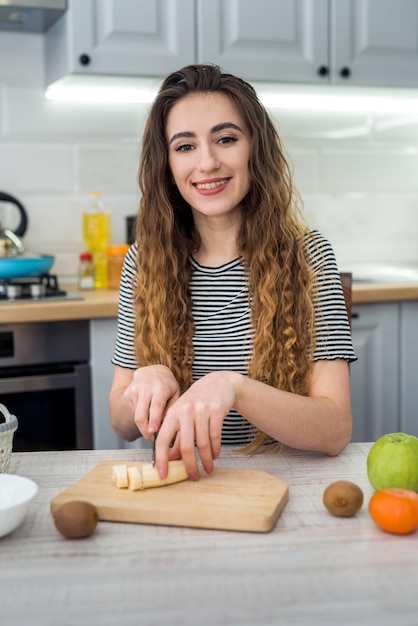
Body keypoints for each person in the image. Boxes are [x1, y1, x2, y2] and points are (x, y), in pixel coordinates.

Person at [109, 63, 356, 481]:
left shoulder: (308, 256)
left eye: (225, 139)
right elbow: (120, 422)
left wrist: (234, 387)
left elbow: (335, 429)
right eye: (185, 146)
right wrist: (143, 385)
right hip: (183, 486)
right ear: (166, 164)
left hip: (282, 484)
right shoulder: (143, 260)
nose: (207, 163)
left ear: (254, 148)